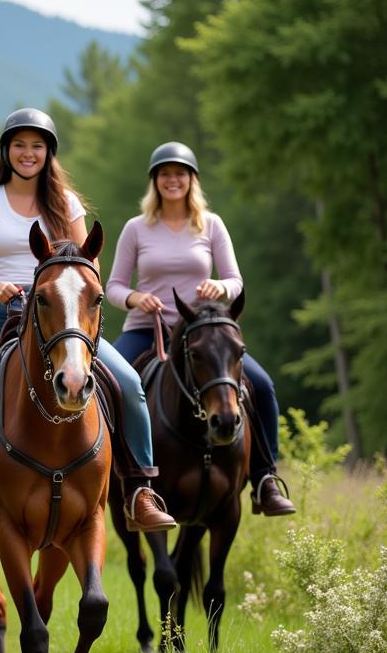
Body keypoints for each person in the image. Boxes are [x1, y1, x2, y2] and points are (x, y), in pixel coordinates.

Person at [0, 108, 176, 537]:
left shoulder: (66, 203)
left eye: (37, 146)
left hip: (62, 319)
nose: (28, 153)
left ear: (49, 153)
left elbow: (89, 267)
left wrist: (67, 297)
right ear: (6, 152)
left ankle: (140, 490)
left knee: (129, 385)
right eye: (19, 145)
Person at [105, 141, 295, 516]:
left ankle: (264, 480)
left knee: (262, 385)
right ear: (154, 182)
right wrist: (135, 299)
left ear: (192, 180)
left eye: (180, 174)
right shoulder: (136, 228)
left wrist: (220, 288)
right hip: (149, 328)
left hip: (204, 335)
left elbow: (235, 280)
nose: (172, 180)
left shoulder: (211, 225)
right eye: (164, 174)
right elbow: (112, 287)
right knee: (108, 381)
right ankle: (111, 477)